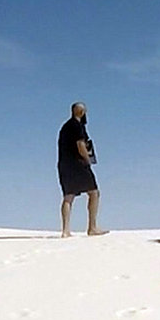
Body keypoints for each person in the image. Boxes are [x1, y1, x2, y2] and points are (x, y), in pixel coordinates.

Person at [58, 101, 106, 237]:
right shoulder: (77, 126)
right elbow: (80, 145)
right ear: (82, 112)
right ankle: (92, 227)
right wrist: (88, 159)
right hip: (78, 164)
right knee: (94, 193)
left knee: (68, 196)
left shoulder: (65, 127)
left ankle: (65, 230)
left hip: (64, 165)